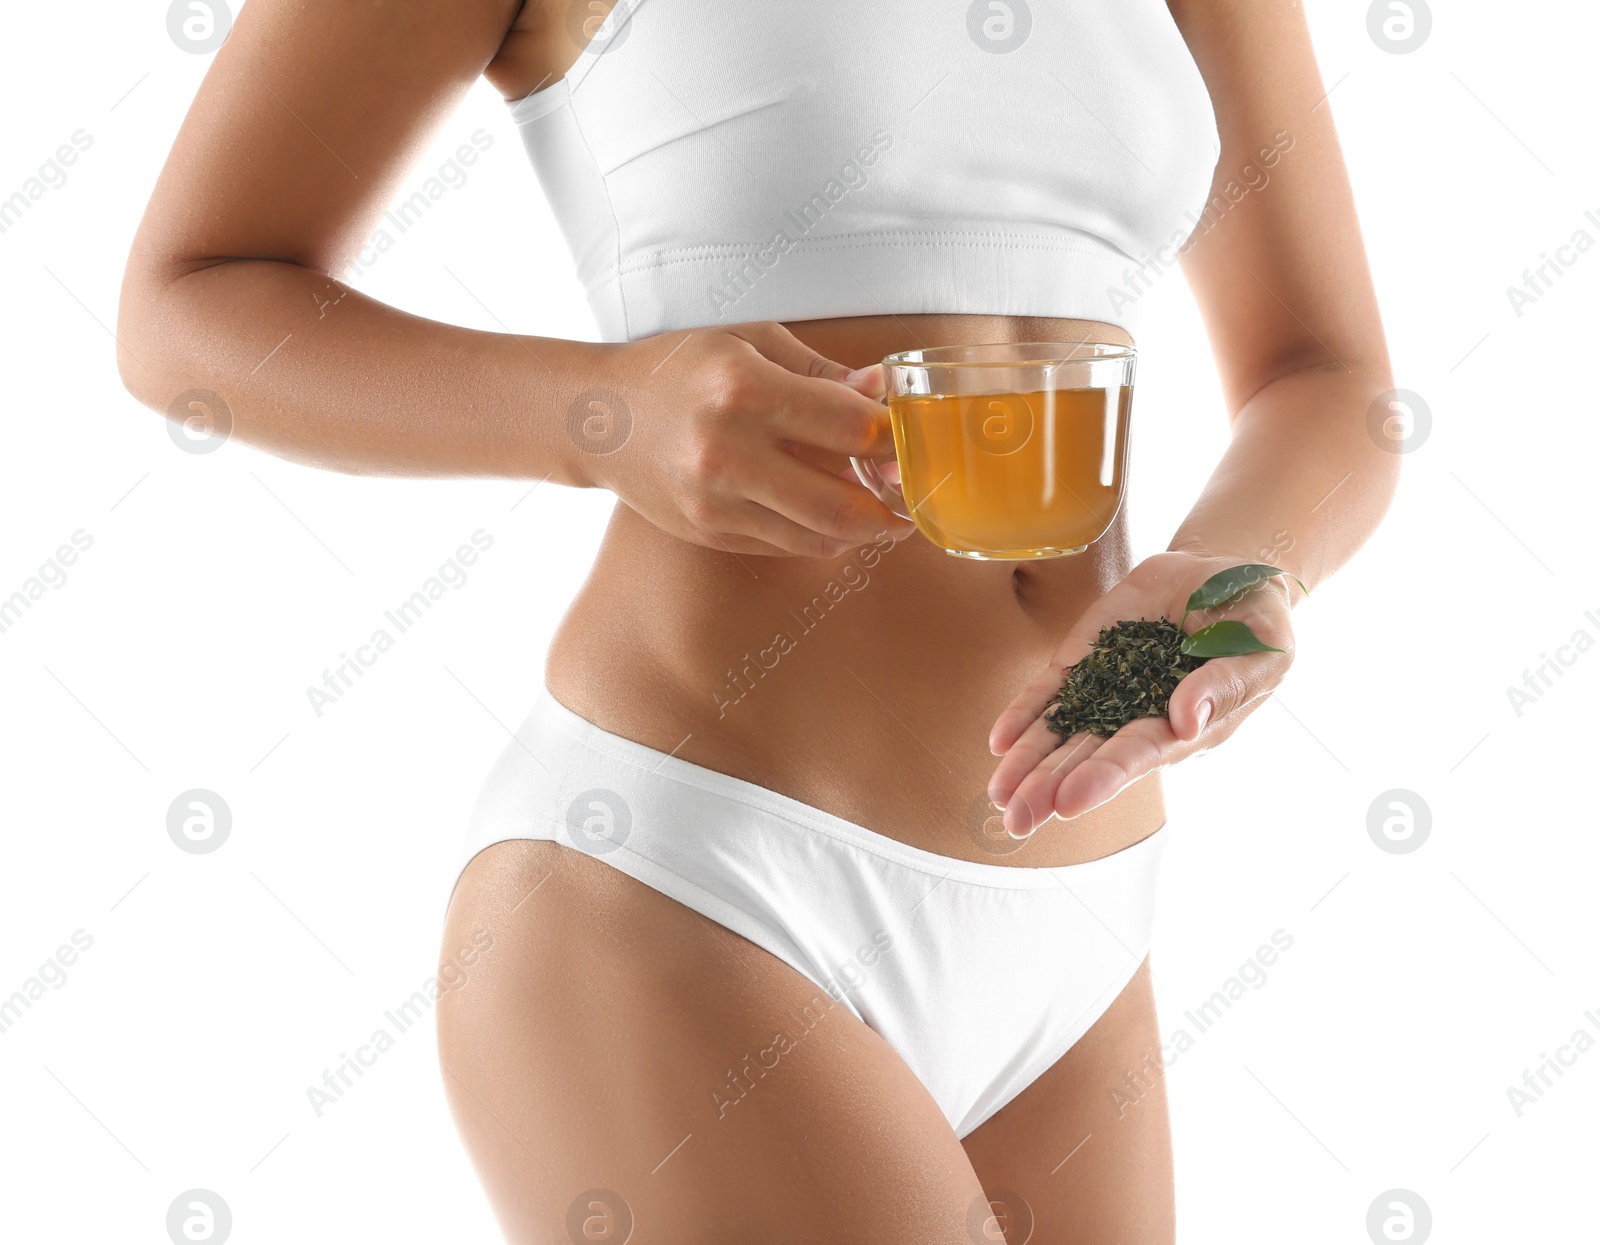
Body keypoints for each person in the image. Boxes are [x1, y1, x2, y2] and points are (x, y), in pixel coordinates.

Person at [117, 0, 1398, 1239]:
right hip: (691, 879)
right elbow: (187, 306)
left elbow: (1325, 373)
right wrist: (604, 414)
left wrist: (1244, 572)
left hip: (1080, 899)